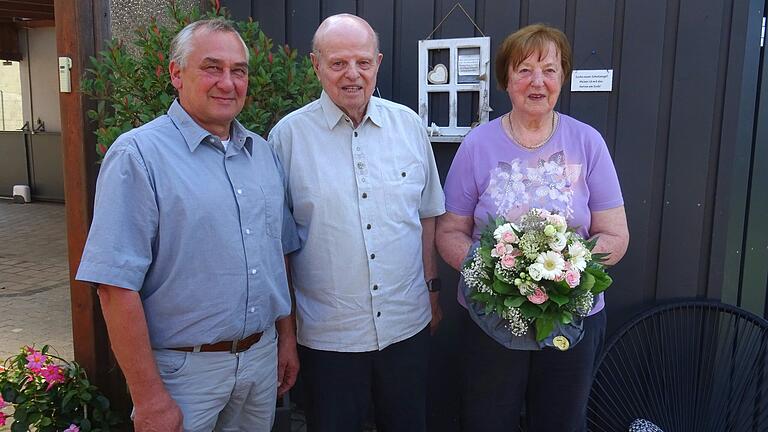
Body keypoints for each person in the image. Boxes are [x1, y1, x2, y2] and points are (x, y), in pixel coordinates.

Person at [76, 19, 300, 432]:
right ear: (176, 74)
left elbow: (278, 255)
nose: (228, 83)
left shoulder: (263, 155)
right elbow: (114, 285)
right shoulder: (138, 156)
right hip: (183, 374)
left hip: (260, 362)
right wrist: (148, 397)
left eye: (238, 71)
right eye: (212, 67)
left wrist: (286, 339)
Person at [436, 24, 630, 432]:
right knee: (487, 420)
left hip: (571, 317)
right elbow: (450, 231)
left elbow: (615, 235)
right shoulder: (477, 145)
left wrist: (568, 274)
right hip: (491, 315)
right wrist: (495, 272)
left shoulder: (588, 142)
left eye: (550, 69)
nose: (537, 81)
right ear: (507, 79)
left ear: (563, 78)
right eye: (524, 69)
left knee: (560, 421)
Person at [268, 13, 445, 432]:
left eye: (363, 62)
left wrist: (433, 292)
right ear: (315, 65)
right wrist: (286, 334)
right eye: (338, 63)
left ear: (378, 62)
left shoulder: (410, 127)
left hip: (406, 326)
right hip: (329, 337)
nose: (353, 74)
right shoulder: (286, 139)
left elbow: (426, 216)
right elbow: (279, 246)